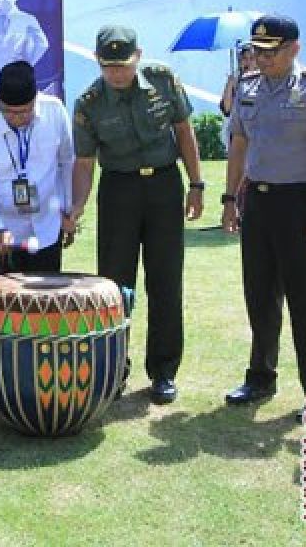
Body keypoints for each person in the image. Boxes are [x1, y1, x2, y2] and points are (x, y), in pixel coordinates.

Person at [71, 25, 204, 405]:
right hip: (119, 191)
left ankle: (163, 372)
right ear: (98, 61)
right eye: (109, 66)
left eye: (124, 65)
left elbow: (184, 131)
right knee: (114, 285)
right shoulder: (89, 102)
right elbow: (84, 161)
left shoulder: (163, 81)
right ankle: (113, 369)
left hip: (163, 186)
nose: (117, 74)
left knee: (165, 281)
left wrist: (196, 185)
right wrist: (77, 206)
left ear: (139, 57)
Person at [220, 15, 306, 409]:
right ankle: (260, 376)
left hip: (300, 202)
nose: (262, 58)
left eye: (271, 51)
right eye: (257, 50)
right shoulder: (247, 87)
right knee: (259, 293)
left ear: (294, 48)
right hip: (257, 201)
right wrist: (229, 199)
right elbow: (239, 142)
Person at [0, 60, 74, 278]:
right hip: (2, 233)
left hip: (47, 228)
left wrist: (66, 210)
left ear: (36, 98)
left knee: (46, 305)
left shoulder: (55, 112)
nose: (17, 119)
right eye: (9, 113)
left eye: (25, 112)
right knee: (3, 307)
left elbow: (66, 162)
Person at [219, 44, 257, 150]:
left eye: (252, 58)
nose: (248, 62)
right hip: (238, 132)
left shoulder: (263, 81)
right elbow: (226, 110)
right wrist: (230, 83)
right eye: (244, 58)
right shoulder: (235, 80)